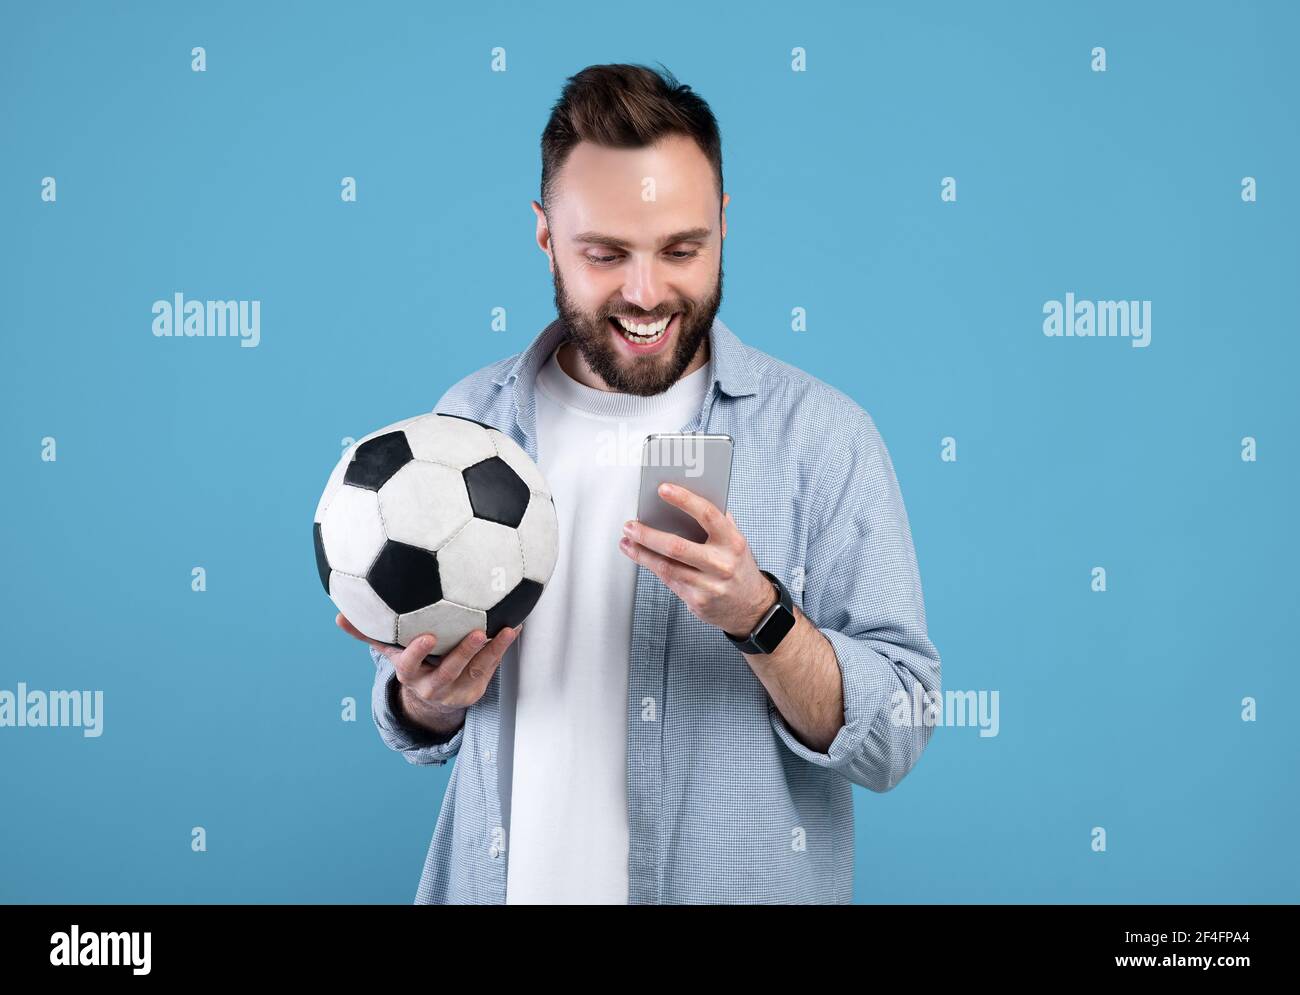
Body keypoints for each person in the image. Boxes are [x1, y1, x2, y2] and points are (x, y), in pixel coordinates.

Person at [337, 62, 941, 904]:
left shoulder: (823, 438)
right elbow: (415, 714)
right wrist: (423, 696)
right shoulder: (468, 421)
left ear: (724, 226)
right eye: (606, 253)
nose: (647, 292)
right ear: (545, 236)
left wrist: (762, 618)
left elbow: (894, 739)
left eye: (681, 249)